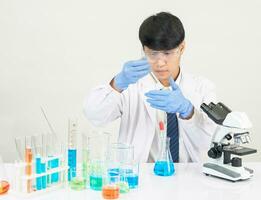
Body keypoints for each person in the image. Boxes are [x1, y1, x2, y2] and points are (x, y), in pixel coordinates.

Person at [84, 12, 217, 163]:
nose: (160, 63)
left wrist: (189, 112)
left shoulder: (202, 87)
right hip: (140, 177)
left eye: (167, 53)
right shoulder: (131, 86)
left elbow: (209, 143)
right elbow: (94, 115)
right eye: (153, 53)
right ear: (143, 49)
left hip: (188, 177)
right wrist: (117, 84)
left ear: (182, 48)